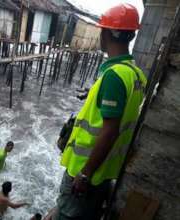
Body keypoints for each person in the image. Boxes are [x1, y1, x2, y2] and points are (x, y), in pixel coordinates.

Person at [54, 4, 147, 220]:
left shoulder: (114, 76)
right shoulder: (135, 74)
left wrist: (84, 174)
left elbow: (110, 131)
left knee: (67, 215)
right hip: (105, 172)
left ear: (106, 33)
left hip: (86, 172)